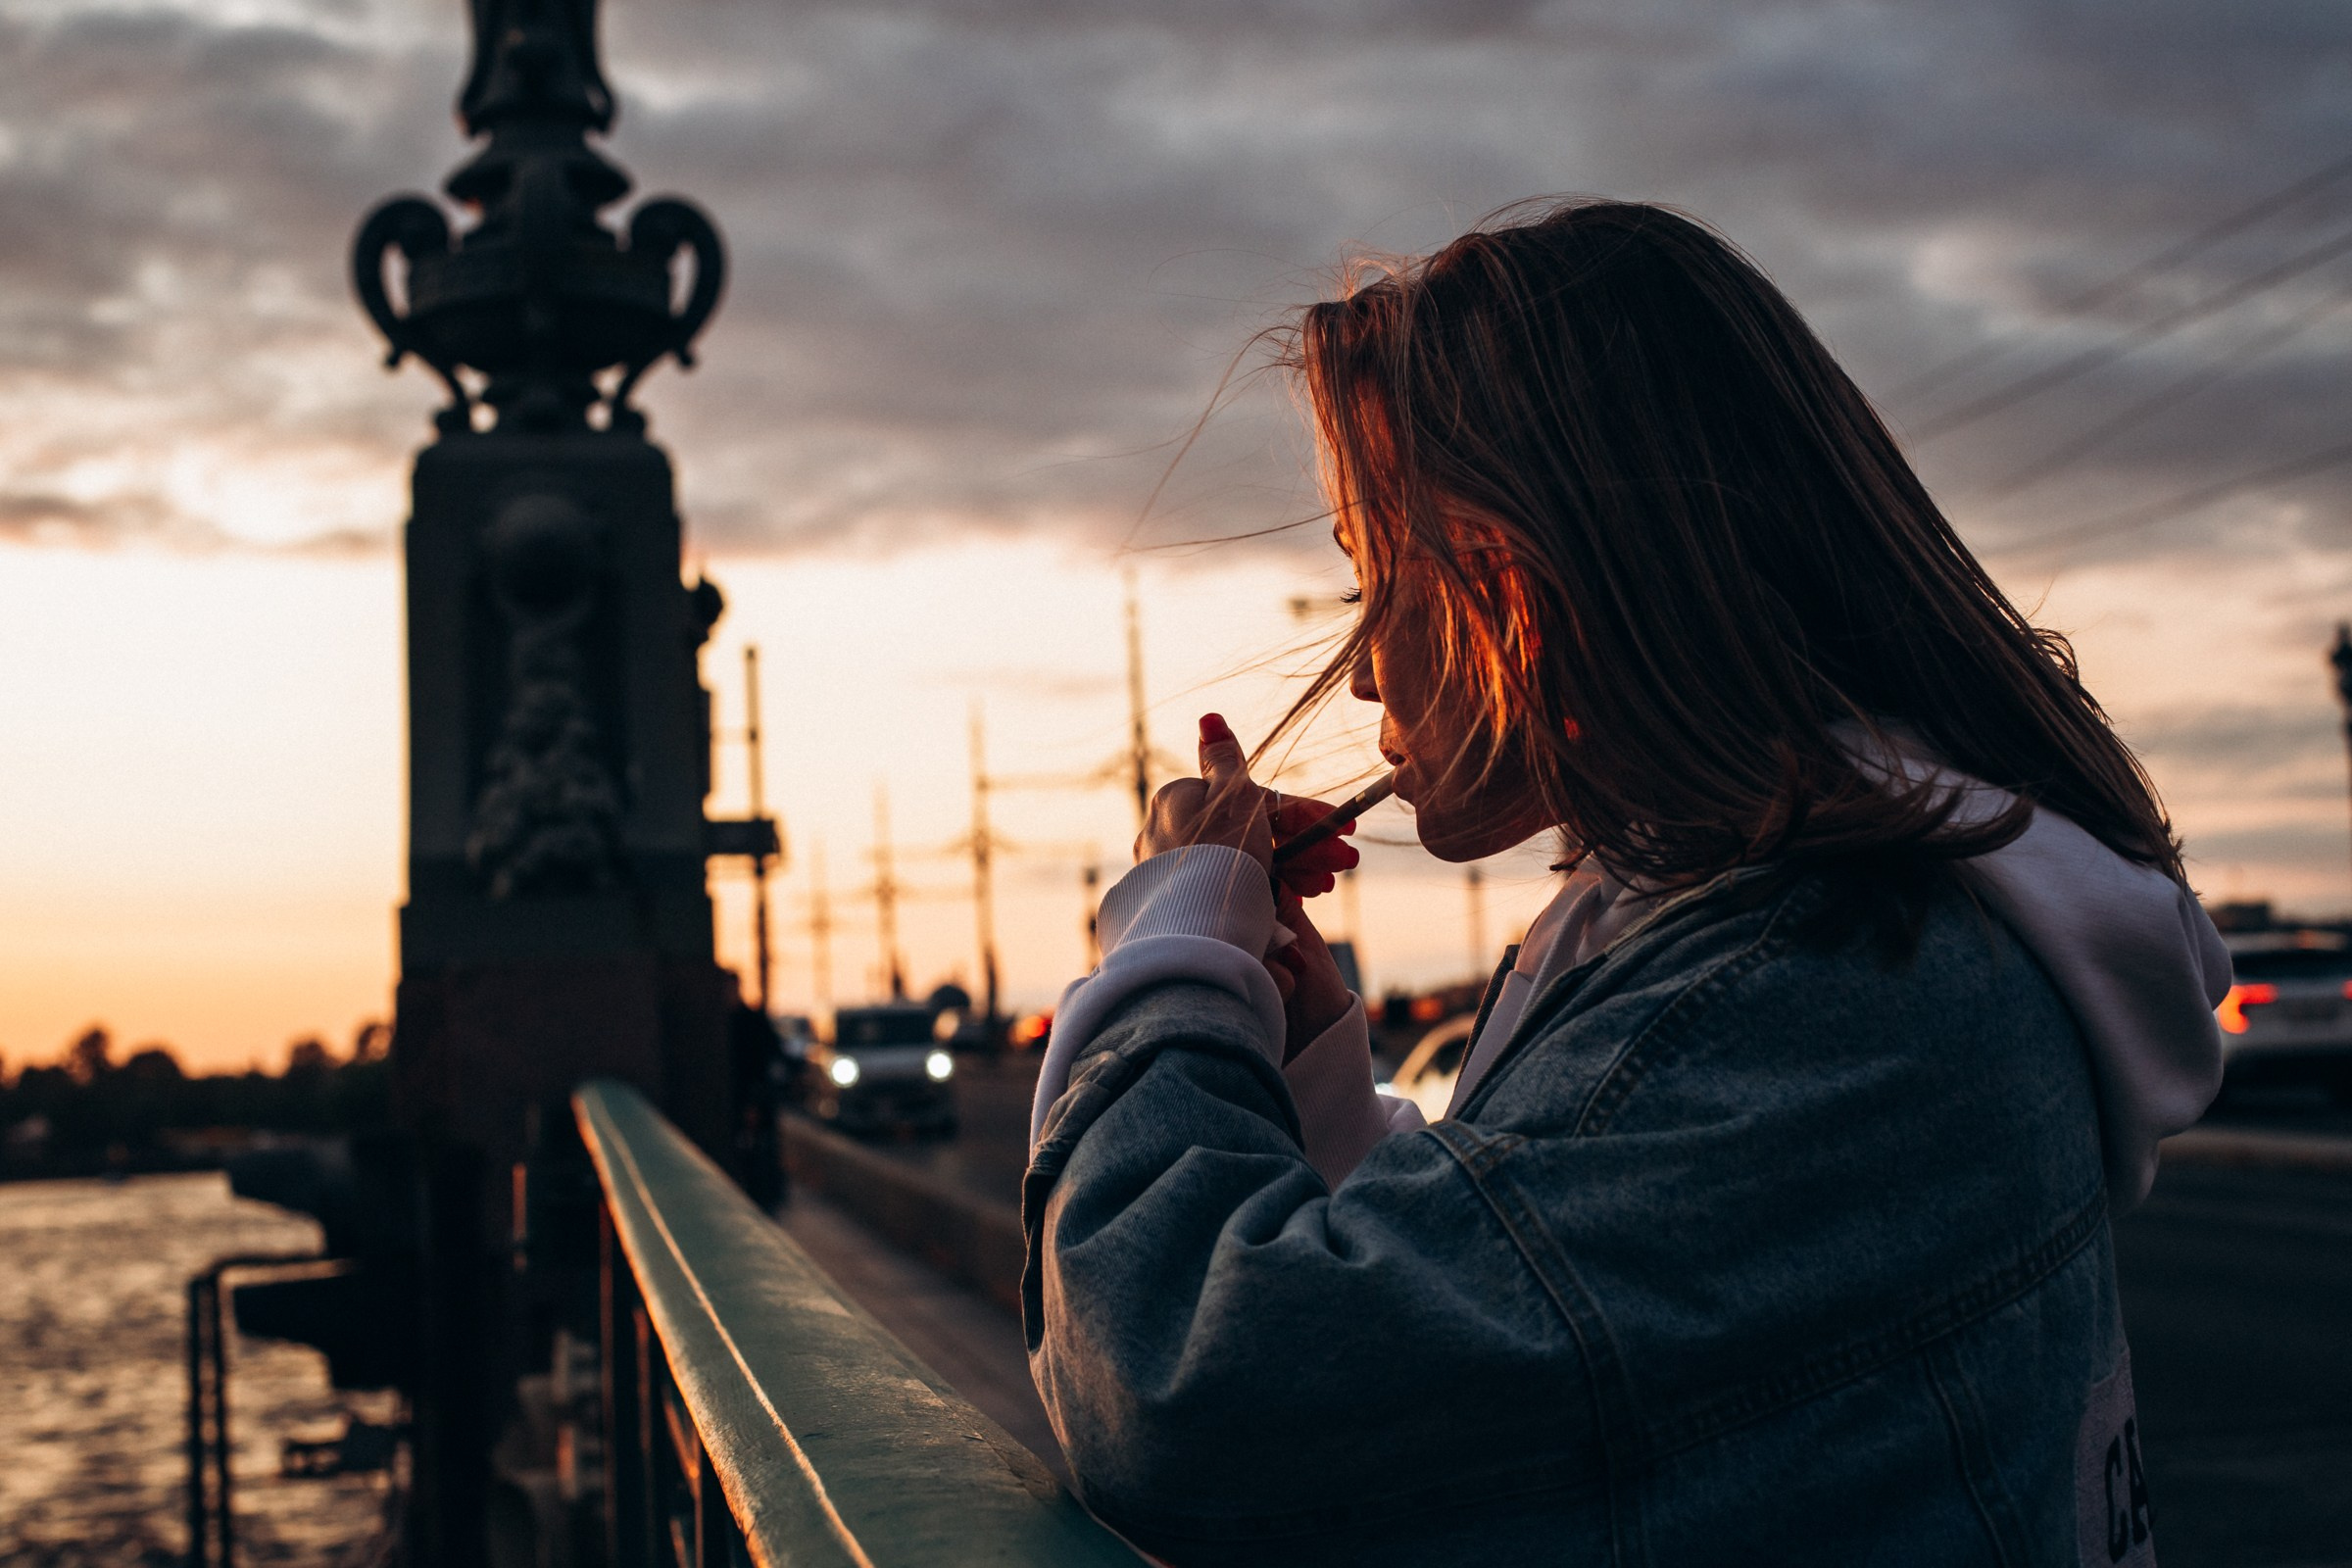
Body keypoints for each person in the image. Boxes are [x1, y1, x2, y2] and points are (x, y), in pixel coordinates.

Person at [1022, 200, 2229, 1566]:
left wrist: (1172, 944)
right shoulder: (1788, 941)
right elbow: (1576, 1332)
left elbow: (1186, 1387)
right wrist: (1311, 1074)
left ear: (1516, 592)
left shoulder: (1815, 992)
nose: (1361, 670)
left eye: (1375, 583)